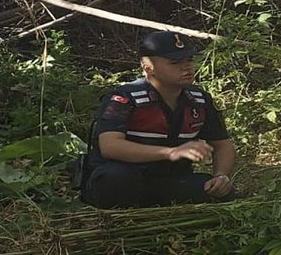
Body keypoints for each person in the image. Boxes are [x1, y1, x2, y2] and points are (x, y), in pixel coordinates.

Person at [80, 30, 237, 208]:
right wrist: (171, 153)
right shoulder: (124, 98)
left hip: (170, 181)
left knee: (218, 192)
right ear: (148, 66)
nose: (186, 67)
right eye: (175, 62)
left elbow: (222, 144)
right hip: (125, 180)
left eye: (190, 60)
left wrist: (221, 176)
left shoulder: (199, 99)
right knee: (115, 178)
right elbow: (110, 147)